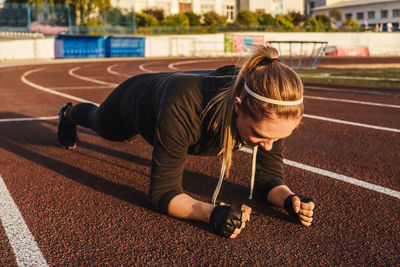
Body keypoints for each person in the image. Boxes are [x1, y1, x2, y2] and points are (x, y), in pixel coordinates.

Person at [57, 46, 316, 238]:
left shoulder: (270, 109)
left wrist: (289, 200)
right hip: (135, 101)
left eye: (279, 138)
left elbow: (267, 179)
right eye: (260, 136)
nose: (269, 146)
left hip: (170, 110)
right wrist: (212, 213)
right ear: (238, 107)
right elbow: (161, 194)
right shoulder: (185, 104)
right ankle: (68, 114)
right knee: (102, 125)